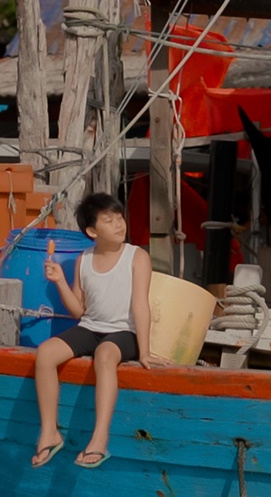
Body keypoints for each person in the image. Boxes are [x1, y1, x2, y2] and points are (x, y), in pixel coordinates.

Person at [31, 192, 170, 469]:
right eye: (109, 220)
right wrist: (59, 281)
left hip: (124, 333)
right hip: (90, 327)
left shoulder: (137, 256)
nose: (119, 225)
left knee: (105, 354)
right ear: (92, 231)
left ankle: (99, 438)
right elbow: (78, 311)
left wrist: (145, 351)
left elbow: (141, 305)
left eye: (120, 218)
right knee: (45, 352)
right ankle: (49, 431)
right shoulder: (83, 259)